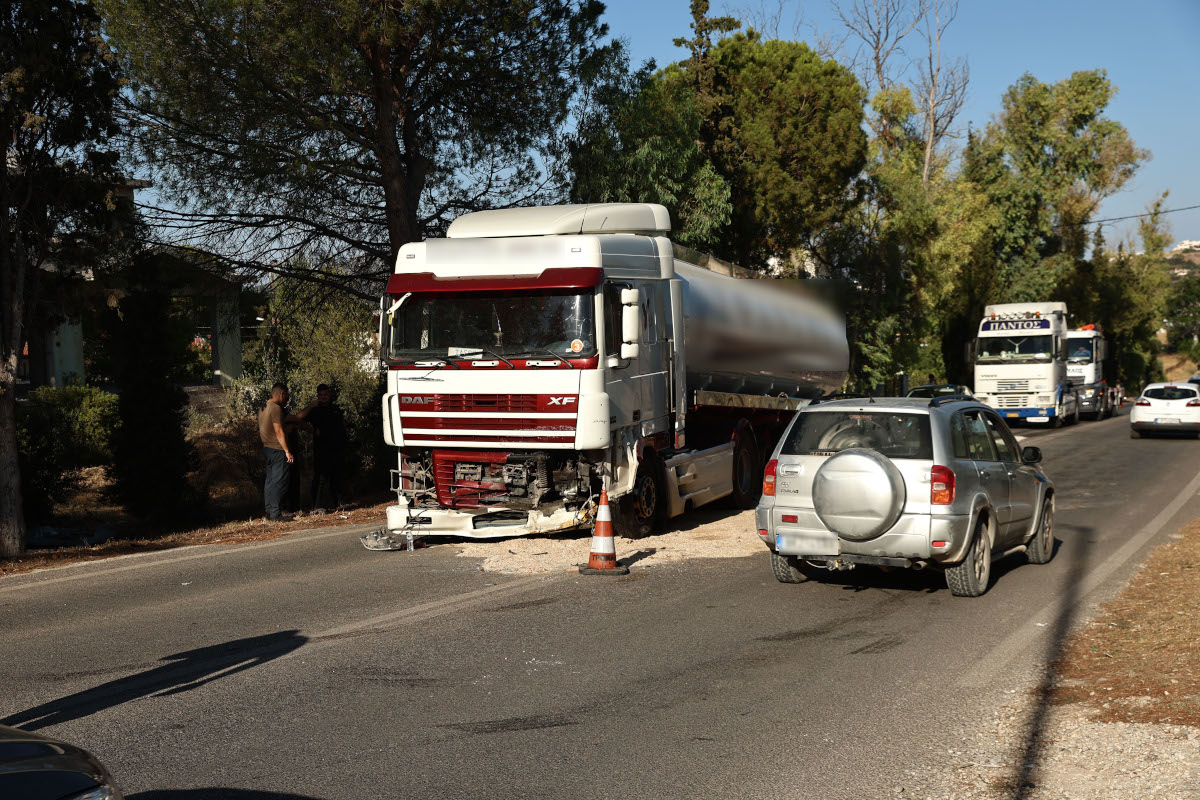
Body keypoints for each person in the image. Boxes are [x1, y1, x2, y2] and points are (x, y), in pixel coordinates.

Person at [300, 383, 347, 510]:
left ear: (329, 395)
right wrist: (312, 430)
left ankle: (340, 503)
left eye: (326, 394)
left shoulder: (336, 409)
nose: (323, 397)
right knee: (320, 478)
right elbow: (300, 420)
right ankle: (317, 506)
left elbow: (342, 424)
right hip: (321, 449)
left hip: (336, 448)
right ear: (317, 396)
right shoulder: (314, 410)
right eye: (321, 395)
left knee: (337, 476)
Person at [258, 383, 295, 521]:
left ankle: (269, 510)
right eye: (286, 396)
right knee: (279, 481)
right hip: (277, 449)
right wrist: (287, 451)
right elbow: (278, 431)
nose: (286, 399)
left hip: (267, 448)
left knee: (270, 481)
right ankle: (275, 513)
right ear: (281, 394)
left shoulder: (263, 406)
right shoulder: (276, 408)